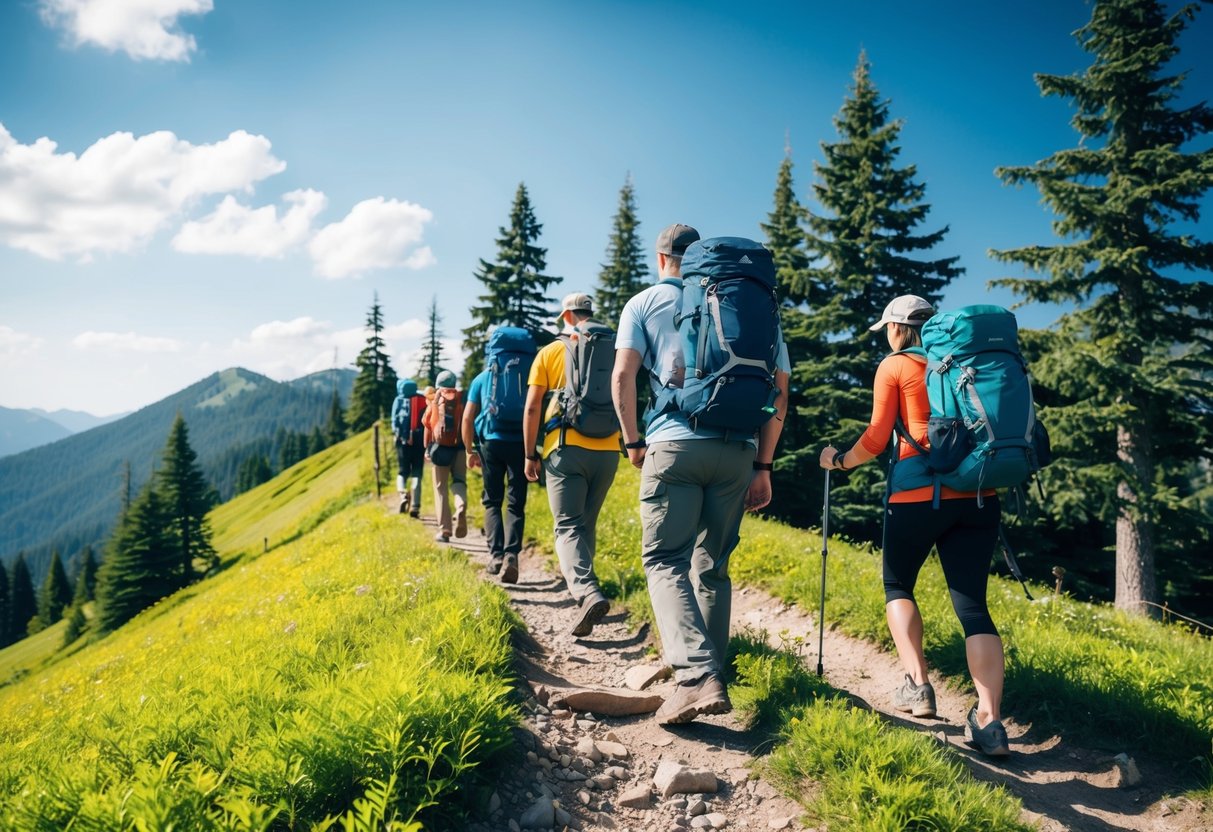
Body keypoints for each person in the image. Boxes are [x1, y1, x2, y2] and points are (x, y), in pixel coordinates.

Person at [611, 223, 790, 725]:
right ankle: (714, 676)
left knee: (665, 557)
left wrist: (632, 439)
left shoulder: (644, 303)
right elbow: (779, 392)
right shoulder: (753, 306)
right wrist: (763, 465)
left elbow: (623, 374)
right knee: (712, 566)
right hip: (738, 450)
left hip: (674, 444)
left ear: (661, 255)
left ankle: (695, 676)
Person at [817, 294, 1010, 756]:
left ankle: (919, 686)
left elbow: (877, 436)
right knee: (973, 607)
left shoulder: (896, 365)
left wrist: (839, 461)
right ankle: (990, 721)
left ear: (899, 328)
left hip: (916, 495)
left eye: (887, 328)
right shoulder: (967, 361)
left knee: (898, 583)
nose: (886, 335)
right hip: (979, 495)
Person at [523, 292, 620, 636]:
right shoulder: (614, 347)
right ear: (589, 313)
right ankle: (586, 597)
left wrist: (529, 453)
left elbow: (533, 407)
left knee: (567, 527)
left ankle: (587, 592)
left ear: (566, 316)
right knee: (585, 526)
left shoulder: (550, 352)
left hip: (565, 448)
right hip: (609, 449)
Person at [463, 354, 529, 584]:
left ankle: (496, 556)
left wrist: (470, 450)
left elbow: (468, 417)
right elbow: (534, 411)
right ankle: (512, 554)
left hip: (490, 443)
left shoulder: (482, 379)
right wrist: (532, 451)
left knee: (492, 500)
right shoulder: (525, 377)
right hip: (520, 443)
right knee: (515, 501)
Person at [423, 370, 468, 544]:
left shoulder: (436, 400)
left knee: (440, 489)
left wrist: (426, 448)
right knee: (459, 482)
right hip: (460, 449)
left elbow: (427, 424)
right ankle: (460, 506)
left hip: (440, 450)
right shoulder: (462, 399)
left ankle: (445, 531)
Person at [390, 377, 426, 517]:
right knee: (417, 472)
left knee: (402, 471)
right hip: (418, 441)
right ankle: (415, 506)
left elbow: (394, 421)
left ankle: (402, 494)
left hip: (402, 441)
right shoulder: (421, 399)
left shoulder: (398, 400)